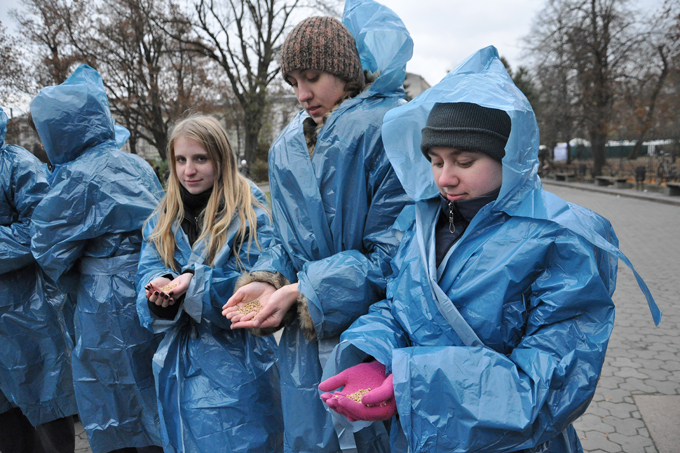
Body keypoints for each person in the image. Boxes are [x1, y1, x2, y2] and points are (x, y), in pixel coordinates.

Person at [318, 46, 662, 453]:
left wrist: (412, 384)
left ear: (509, 157)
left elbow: (547, 388)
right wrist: (377, 356)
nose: (445, 178)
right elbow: (399, 306)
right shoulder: (423, 224)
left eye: (464, 161)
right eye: (436, 161)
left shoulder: (560, 242)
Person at [222, 0, 413, 450]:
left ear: (346, 73)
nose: (302, 94)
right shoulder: (288, 145)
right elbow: (289, 241)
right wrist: (270, 279)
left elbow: (397, 253)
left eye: (312, 77)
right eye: (293, 82)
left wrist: (306, 289)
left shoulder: (386, 131)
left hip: (376, 335)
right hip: (303, 350)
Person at [30, 64, 164, 453]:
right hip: (152, 284)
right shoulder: (137, 164)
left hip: (103, 299)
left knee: (115, 393)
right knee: (153, 385)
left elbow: (47, 246)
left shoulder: (75, 178)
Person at [135, 115, 284, 452]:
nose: (189, 170)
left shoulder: (251, 214)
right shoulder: (163, 219)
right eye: (181, 159)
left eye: (200, 158)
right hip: (177, 365)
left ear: (221, 159)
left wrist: (195, 284)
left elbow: (258, 287)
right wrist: (160, 289)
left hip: (240, 362)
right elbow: (147, 271)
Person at [0, 107, 78, 452]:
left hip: (27, 311)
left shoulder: (18, 164)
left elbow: (42, 229)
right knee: (8, 429)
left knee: (45, 407)